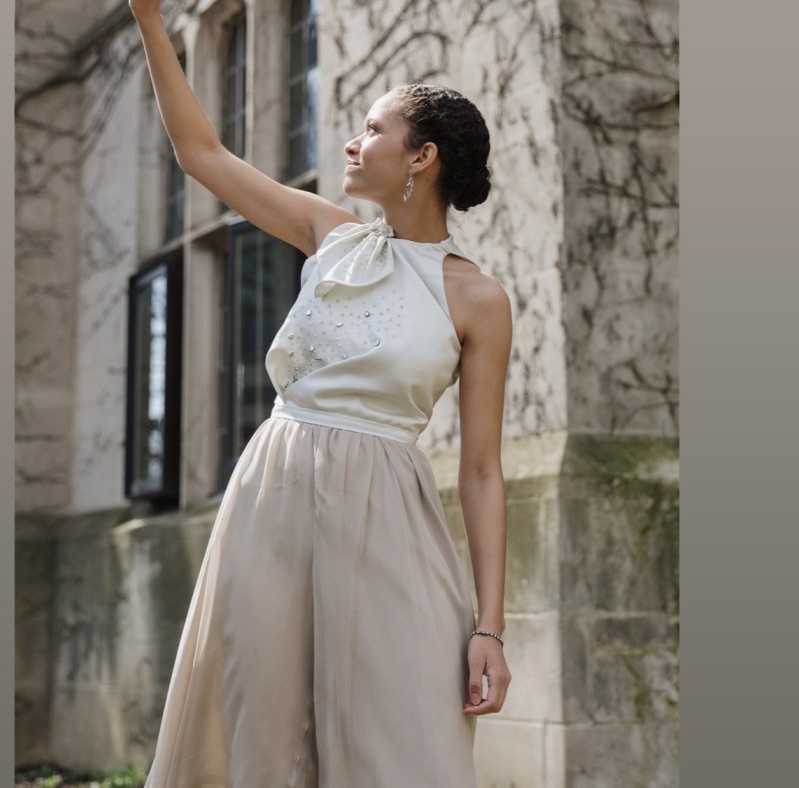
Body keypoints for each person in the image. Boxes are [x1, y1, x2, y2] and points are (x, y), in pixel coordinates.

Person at [130, 2, 514, 785]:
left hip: (389, 517)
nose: (352, 140)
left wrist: (492, 628)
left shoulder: (479, 299)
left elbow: (481, 471)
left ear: (422, 158)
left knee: (409, 736)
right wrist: (148, 20)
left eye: (373, 129)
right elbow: (201, 154)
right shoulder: (328, 235)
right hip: (272, 497)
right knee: (259, 736)